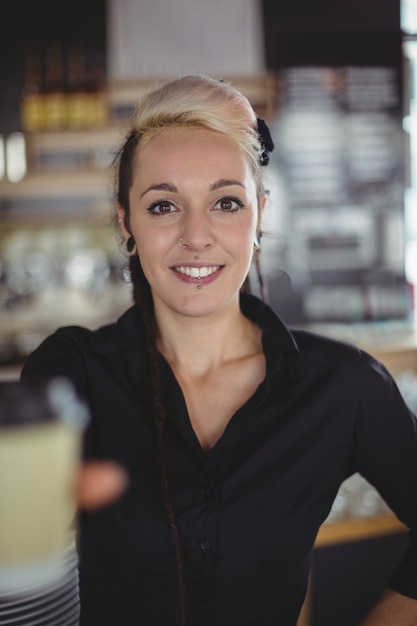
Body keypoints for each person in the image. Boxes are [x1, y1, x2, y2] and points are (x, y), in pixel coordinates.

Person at [20, 74, 417, 626]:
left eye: (227, 202)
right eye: (163, 206)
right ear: (126, 223)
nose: (197, 235)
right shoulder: (73, 373)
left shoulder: (343, 387)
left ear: (260, 214)